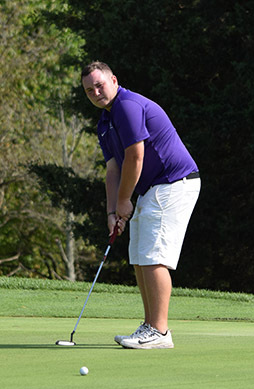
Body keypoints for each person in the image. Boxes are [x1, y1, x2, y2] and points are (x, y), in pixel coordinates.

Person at [81, 61, 200, 349]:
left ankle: (160, 332)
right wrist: (112, 211)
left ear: (114, 80)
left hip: (173, 182)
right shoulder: (105, 121)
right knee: (139, 256)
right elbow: (113, 169)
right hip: (153, 188)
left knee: (153, 255)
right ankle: (150, 326)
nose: (96, 92)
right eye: (89, 90)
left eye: (100, 85)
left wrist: (124, 201)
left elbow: (136, 156)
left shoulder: (127, 106)